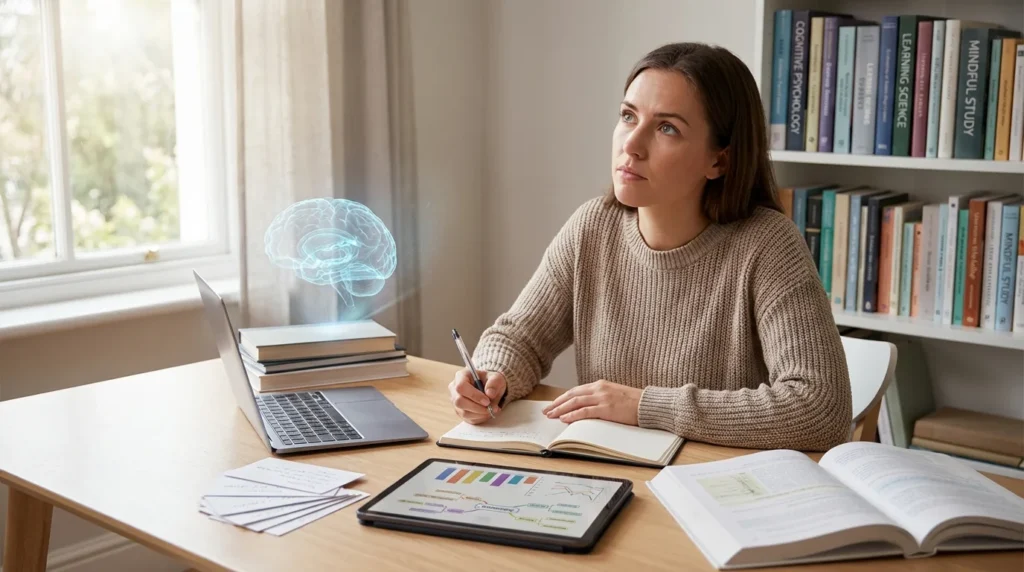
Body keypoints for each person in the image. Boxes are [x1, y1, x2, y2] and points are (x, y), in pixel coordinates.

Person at [447, 42, 851, 451]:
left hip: (711, 488)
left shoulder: (767, 245)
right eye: (628, 116)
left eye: (666, 128)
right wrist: (490, 377)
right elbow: (521, 337)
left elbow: (820, 410)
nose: (632, 145)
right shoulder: (593, 227)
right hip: (605, 472)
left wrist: (644, 405)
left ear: (720, 162)